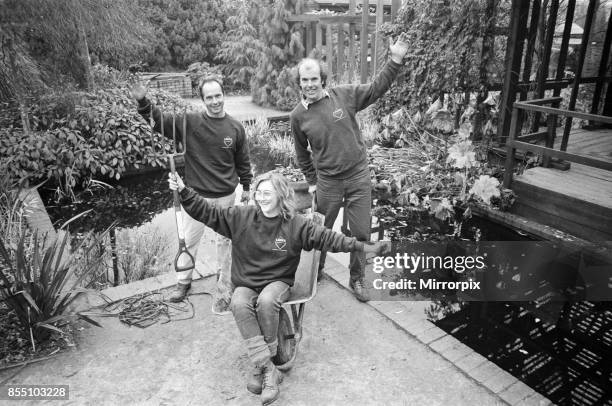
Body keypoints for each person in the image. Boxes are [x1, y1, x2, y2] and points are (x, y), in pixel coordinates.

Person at [168, 171, 389, 405]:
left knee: (266, 301)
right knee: (238, 303)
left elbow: (331, 239)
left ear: (281, 195)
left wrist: (365, 248)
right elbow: (207, 212)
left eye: (267, 193)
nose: (261, 198)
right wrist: (183, 190)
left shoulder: (296, 225)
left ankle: (261, 365)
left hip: (278, 280)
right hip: (247, 281)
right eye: (259, 193)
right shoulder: (241, 216)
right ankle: (266, 367)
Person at [290, 35, 409, 302]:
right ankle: (315, 272)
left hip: (357, 176)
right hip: (328, 182)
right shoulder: (298, 116)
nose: (309, 84)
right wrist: (311, 180)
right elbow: (300, 152)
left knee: (362, 233)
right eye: (304, 80)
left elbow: (377, 88)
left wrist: (396, 60)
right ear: (299, 83)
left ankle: (357, 279)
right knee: (319, 230)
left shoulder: (343, 95)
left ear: (322, 79)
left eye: (313, 79)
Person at [132, 76, 252, 308]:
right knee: (187, 241)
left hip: (226, 196)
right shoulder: (189, 123)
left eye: (218, 95)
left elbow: (243, 161)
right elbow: (157, 121)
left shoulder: (235, 128)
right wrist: (143, 101)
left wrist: (246, 187)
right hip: (195, 198)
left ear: (223, 94)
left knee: (225, 242)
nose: (215, 101)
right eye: (209, 97)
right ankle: (183, 281)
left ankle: (225, 282)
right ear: (202, 99)